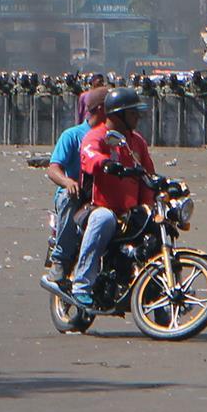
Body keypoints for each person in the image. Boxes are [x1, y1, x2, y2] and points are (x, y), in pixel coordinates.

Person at [72, 88, 155, 309]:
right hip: (98, 207)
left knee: (158, 225)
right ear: (118, 115)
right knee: (104, 219)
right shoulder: (97, 135)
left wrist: (151, 203)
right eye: (133, 112)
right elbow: (89, 155)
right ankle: (81, 285)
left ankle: (157, 296)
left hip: (129, 212)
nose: (137, 117)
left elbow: (148, 175)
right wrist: (105, 163)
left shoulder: (137, 142)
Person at [45, 87, 107, 282]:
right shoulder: (72, 135)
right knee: (67, 196)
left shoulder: (112, 136)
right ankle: (60, 260)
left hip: (102, 195)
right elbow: (53, 169)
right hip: (77, 194)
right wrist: (67, 182)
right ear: (101, 109)